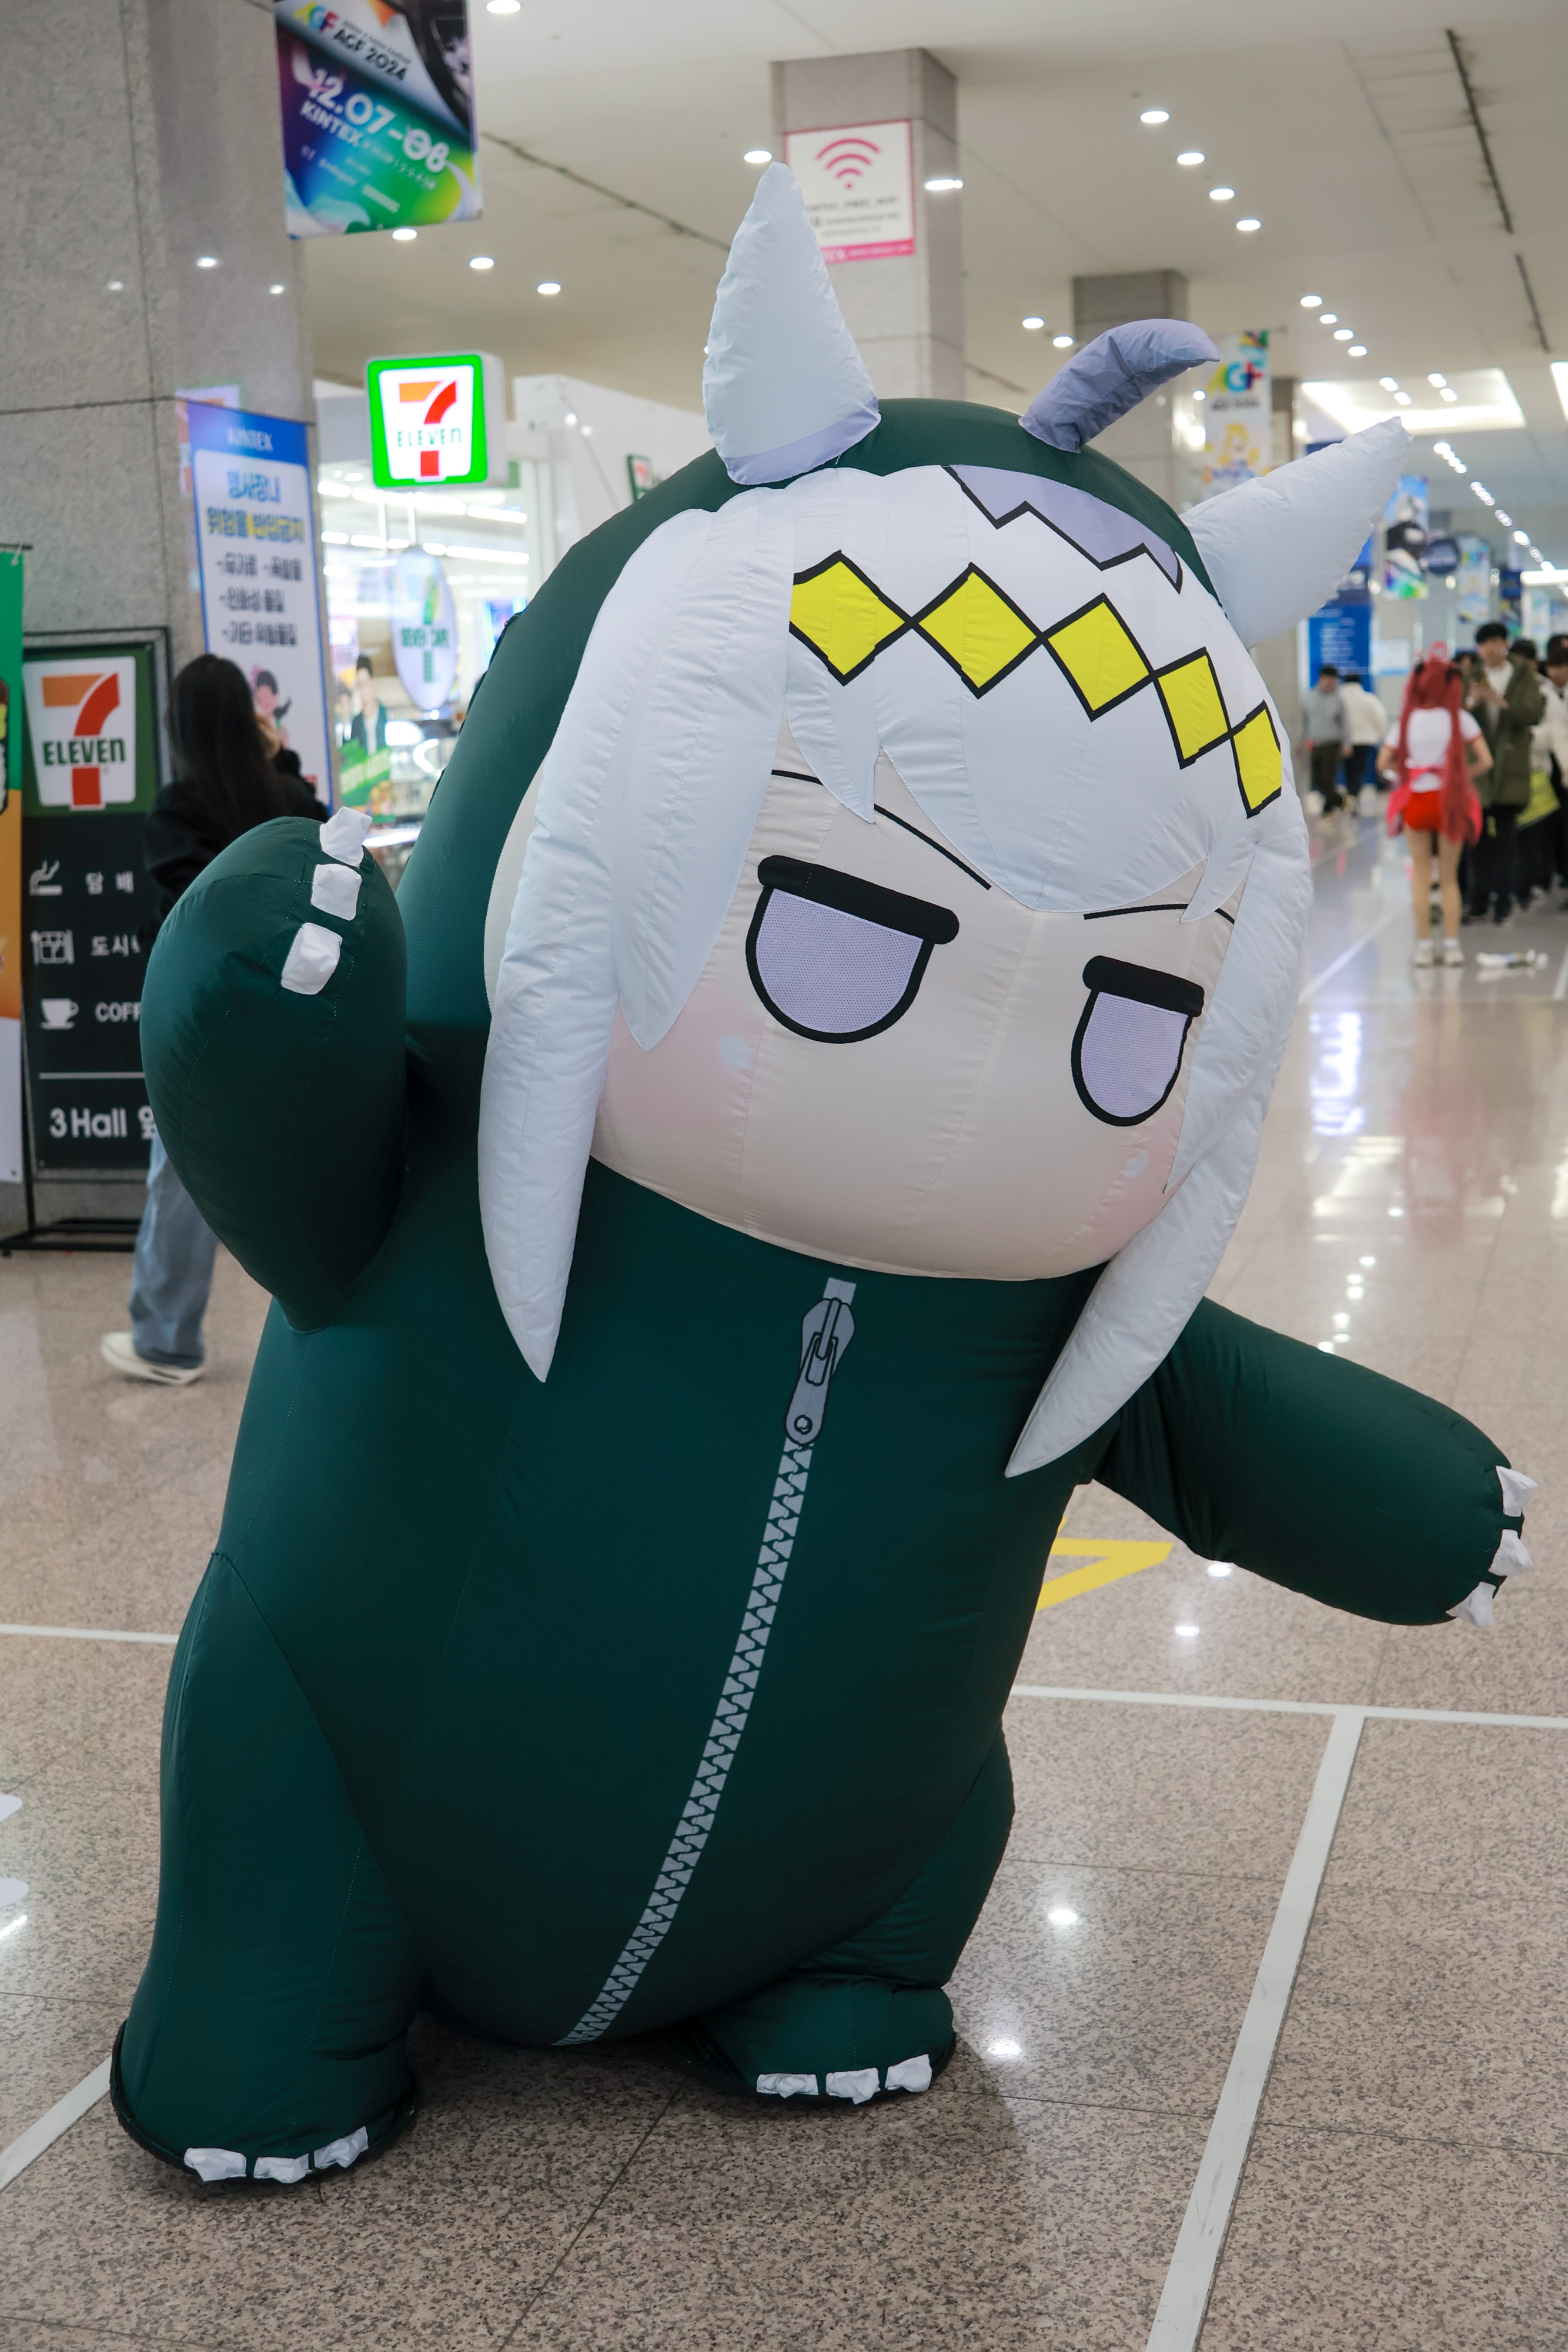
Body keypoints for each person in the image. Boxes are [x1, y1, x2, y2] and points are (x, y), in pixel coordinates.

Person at [101, 654, 326, 1386]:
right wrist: (279, 756)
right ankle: (332, 1326)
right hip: (299, 1010)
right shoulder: (292, 796)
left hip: (208, 1021)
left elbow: (188, 916)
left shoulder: (179, 810)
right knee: (311, 1169)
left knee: (180, 1178)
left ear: (182, 726)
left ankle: (166, 1341)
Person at [1378, 652, 1490, 967]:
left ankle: (1424, 947)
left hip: (1417, 802)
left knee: (1422, 876)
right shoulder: (1460, 719)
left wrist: (1409, 774)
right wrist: (1459, 777)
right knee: (1450, 879)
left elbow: (1383, 763)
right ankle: (1453, 946)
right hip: (1450, 802)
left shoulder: (1407, 721)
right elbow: (1486, 760)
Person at [1466, 624, 1545, 923]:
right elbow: (1457, 715)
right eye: (1484, 643)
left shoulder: (1524, 675)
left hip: (1510, 768)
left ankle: (1504, 898)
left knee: (1507, 838)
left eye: (1495, 641)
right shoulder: (1470, 674)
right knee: (1478, 839)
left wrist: (1502, 703)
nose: (1490, 648)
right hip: (1479, 771)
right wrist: (1472, 701)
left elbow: (1533, 714)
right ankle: (1479, 898)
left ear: (1505, 643)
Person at [1300, 662, 1349, 812]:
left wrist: (1347, 744)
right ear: (1322, 678)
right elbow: (1306, 721)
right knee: (1317, 779)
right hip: (1315, 743)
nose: (1331, 683)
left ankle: (1329, 809)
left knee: (1327, 777)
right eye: (1329, 679)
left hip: (1332, 743)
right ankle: (1340, 801)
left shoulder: (1338, 699)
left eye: (1334, 680)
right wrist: (1302, 740)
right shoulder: (1310, 697)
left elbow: (1345, 723)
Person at [1339, 669, 1389, 806]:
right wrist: (1380, 736)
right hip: (1365, 741)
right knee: (1359, 771)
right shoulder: (1369, 700)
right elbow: (1380, 719)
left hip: (1343, 742)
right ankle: (1353, 796)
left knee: (1348, 771)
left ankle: (1350, 795)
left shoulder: (1338, 699)